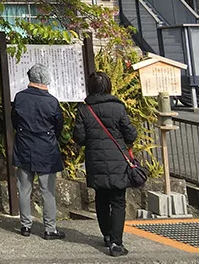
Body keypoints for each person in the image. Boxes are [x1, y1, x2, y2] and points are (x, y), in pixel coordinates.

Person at [73, 70, 139, 258]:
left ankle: (107, 236)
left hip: (96, 161)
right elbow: (131, 134)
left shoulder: (84, 109)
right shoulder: (118, 108)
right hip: (118, 160)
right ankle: (117, 243)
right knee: (118, 201)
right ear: (108, 86)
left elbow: (80, 137)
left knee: (101, 200)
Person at [11, 63, 66, 240]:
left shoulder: (19, 98)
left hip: (24, 145)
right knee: (47, 191)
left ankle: (25, 226)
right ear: (45, 79)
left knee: (24, 188)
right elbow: (59, 126)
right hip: (46, 149)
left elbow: (15, 121)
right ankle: (50, 229)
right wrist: (50, 138)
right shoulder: (51, 101)